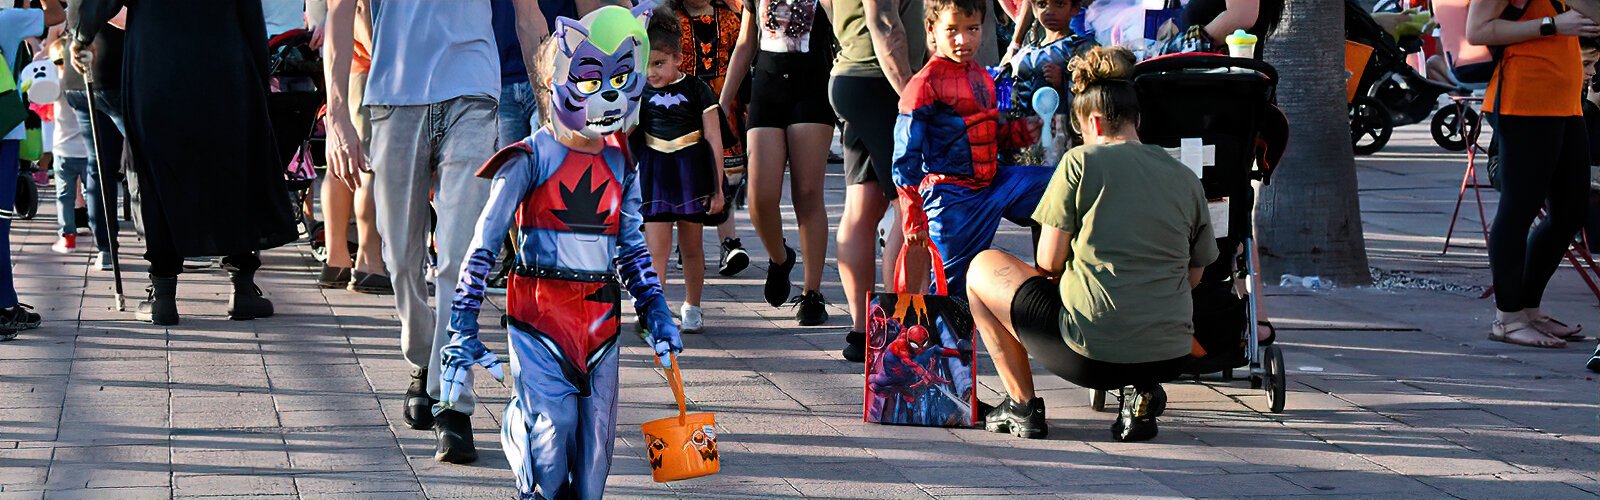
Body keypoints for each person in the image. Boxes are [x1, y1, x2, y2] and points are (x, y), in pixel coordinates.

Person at [435, 6, 682, 498]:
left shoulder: (621, 161)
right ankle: (522, 437)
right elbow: (483, 242)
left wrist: (656, 310)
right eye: (591, 78)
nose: (608, 92)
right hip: (539, 316)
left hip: (599, 321)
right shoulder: (527, 157)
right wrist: (461, 322)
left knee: (595, 461)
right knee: (552, 442)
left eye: (619, 77)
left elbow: (631, 247)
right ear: (555, 82)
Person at [322, 0, 544, 463]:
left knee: (461, 258)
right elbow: (339, 13)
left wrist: (548, 106)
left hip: (473, 92)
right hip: (393, 95)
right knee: (400, 262)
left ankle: (453, 403)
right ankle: (423, 357)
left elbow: (528, 15)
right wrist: (338, 115)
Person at [967, 46, 1218, 442]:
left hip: (1088, 353)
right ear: (1138, 118)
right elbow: (1195, 274)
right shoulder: (1183, 175)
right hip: (1170, 350)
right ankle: (1139, 393)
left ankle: (1021, 405)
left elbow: (1047, 262)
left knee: (981, 266)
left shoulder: (1080, 162)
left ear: (1094, 123)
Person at [71, 0, 296, 326]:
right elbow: (250, 12)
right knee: (232, 168)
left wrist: (80, 35)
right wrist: (259, 79)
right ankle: (243, 287)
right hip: (224, 59)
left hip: (156, 62)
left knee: (155, 171)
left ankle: (162, 292)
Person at [894, 0, 1049, 302]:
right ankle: (940, 347)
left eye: (972, 29)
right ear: (932, 29)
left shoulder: (981, 76)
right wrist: (913, 215)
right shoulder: (923, 84)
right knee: (951, 292)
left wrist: (1018, 133)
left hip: (993, 184)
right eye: (952, 30)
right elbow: (904, 158)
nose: (963, 40)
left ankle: (1056, 287)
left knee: (1062, 186)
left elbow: (989, 134)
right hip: (951, 196)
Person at [1468, 0, 1600, 348]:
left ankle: (1527, 307)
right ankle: (1507, 318)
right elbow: (1477, 30)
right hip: (1524, 101)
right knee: (1519, 208)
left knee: (1572, 210)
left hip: (1565, 103)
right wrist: (1551, 26)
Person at [722, 0, 835, 326]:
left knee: (808, 192)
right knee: (759, 196)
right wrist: (722, 102)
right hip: (768, 90)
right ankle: (780, 258)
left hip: (812, 90)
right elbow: (747, 41)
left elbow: (842, 28)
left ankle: (813, 293)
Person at [829, 0, 924, 361]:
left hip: (854, 76)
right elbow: (884, 21)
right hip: (880, 80)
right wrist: (909, 92)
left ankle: (862, 331)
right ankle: (896, 327)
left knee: (864, 206)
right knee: (909, 205)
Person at [638, 11, 727, 334]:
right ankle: (655, 309)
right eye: (647, 63)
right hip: (656, 177)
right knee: (655, 250)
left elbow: (714, 139)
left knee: (692, 247)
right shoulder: (639, 92)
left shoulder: (697, 89)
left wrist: (718, 187)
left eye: (659, 63)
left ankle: (693, 305)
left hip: (692, 177)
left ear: (678, 58)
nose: (651, 72)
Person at [311, 0, 389, 294]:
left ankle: (337, 258)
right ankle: (369, 260)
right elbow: (360, 14)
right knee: (369, 164)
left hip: (345, 67)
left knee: (341, 162)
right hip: (368, 65)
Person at [672, 0, 751, 277]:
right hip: (683, 110)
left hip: (723, 106)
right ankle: (687, 242)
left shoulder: (730, 19)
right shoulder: (671, 21)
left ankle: (729, 244)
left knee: (724, 179)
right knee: (687, 177)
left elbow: (744, 62)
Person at [47, 38, 94, 257]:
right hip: (87, 150)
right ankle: (103, 238)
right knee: (93, 194)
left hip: (63, 150)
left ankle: (68, 237)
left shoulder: (56, 85)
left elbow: (34, 96)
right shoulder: (87, 82)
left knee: (64, 197)